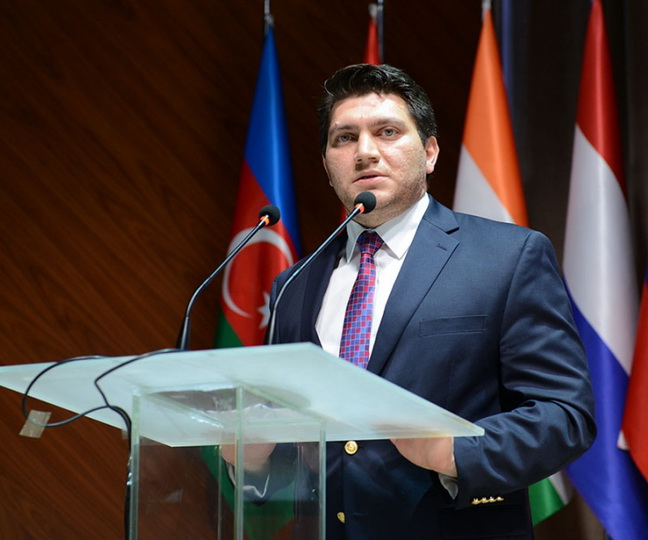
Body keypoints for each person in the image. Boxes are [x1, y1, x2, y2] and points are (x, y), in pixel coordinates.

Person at [236, 63, 596, 539]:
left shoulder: (507, 257)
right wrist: (253, 461)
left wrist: (455, 453)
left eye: (387, 132)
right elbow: (300, 453)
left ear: (429, 153)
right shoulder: (294, 285)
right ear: (326, 165)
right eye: (345, 138)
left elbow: (565, 415)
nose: (365, 151)